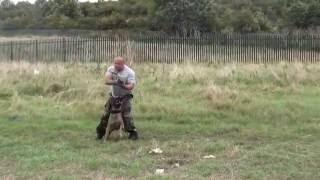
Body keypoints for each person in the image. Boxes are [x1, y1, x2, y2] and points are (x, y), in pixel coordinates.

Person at [96, 57, 139, 140]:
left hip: (125, 96)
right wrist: (116, 82)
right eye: (115, 63)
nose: (116, 65)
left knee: (126, 115)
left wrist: (123, 85)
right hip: (114, 95)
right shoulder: (111, 69)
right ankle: (100, 132)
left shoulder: (130, 72)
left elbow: (131, 86)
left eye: (119, 64)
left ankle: (133, 132)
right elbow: (106, 80)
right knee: (106, 114)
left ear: (123, 64)